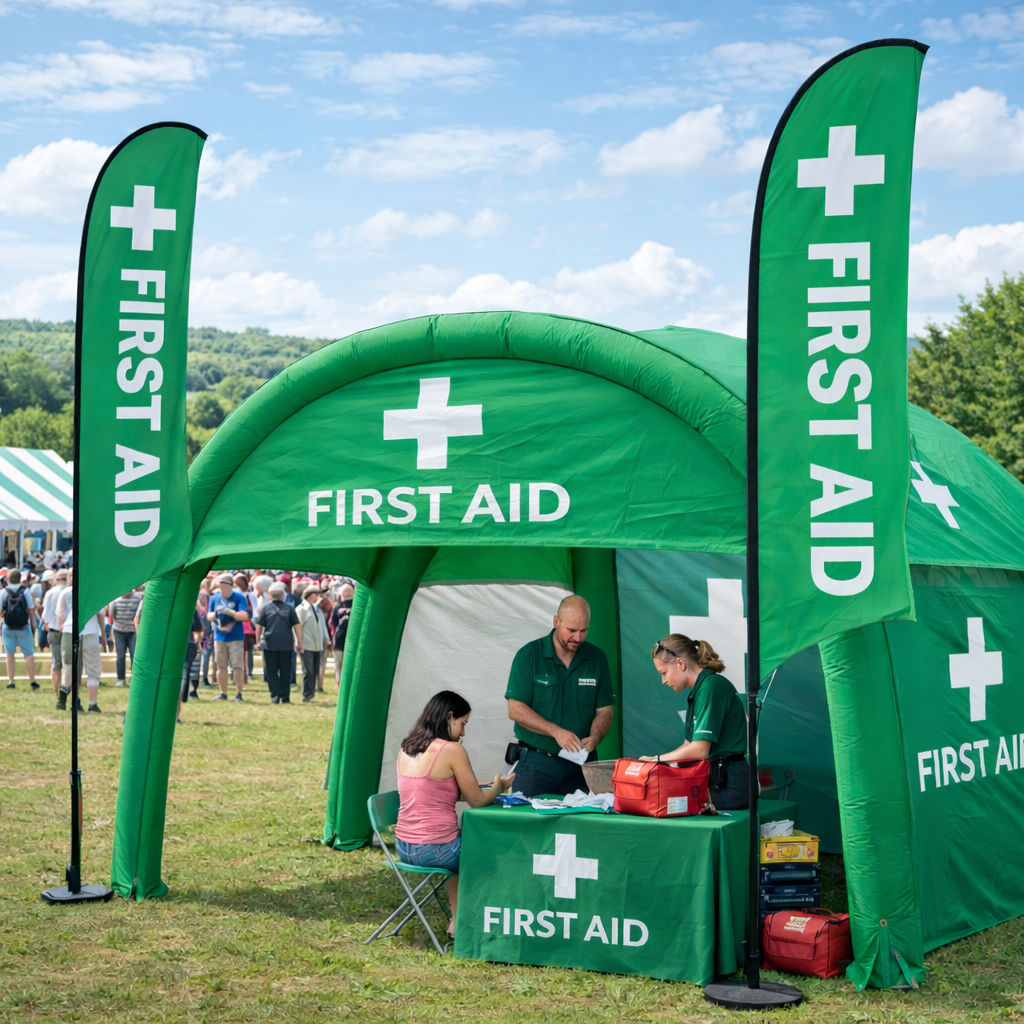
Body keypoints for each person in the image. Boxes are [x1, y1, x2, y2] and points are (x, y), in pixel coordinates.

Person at [395, 690, 513, 939]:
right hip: (435, 849)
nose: (464, 732)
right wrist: (499, 787)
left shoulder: (406, 746)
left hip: (404, 846)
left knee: (464, 850)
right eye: (463, 723)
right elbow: (477, 801)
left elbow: (431, 791)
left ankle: (458, 918)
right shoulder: (451, 750)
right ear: (450, 717)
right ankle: (475, 920)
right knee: (490, 849)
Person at [505, 594, 616, 797]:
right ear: (556, 621)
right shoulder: (529, 656)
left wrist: (595, 737)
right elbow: (515, 709)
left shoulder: (597, 658)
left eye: (584, 631)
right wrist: (555, 731)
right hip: (536, 763)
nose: (578, 638)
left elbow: (605, 710)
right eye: (571, 631)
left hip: (582, 765)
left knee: (582, 825)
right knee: (529, 824)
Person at [639, 634, 749, 810]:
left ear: (681, 663)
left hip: (729, 783)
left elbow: (699, 750)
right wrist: (656, 762)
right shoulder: (699, 690)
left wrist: (656, 760)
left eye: (664, 673)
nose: (663, 681)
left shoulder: (711, 687)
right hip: (714, 780)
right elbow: (688, 745)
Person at [254, 581, 303, 704]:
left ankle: (274, 696)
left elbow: (259, 626)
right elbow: (297, 626)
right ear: (282, 595)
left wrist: (258, 641)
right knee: (285, 671)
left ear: (271, 595)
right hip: (285, 644)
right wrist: (299, 642)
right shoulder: (289, 609)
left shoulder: (266, 609)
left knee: (271, 672)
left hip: (270, 644)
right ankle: (285, 697)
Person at [207, 573, 250, 701]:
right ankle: (223, 692)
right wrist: (216, 615)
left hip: (236, 637)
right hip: (219, 637)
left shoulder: (239, 598)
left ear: (230, 585)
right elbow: (209, 615)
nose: (221, 586)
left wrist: (230, 613)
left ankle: (238, 693)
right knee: (221, 666)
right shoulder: (214, 598)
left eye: (224, 583)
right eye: (220, 583)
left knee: (237, 666)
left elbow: (245, 616)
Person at [1, 568, 39, 690]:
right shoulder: (25, 591)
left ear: (8, 579)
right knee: (28, 654)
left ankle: (11, 681)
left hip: (8, 626)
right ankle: (32, 680)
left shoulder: (3, 592)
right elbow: (31, 608)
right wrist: (31, 621)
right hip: (24, 626)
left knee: (10, 654)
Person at [295, 582, 328, 702]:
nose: (318, 596)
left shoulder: (316, 609)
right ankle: (306, 694)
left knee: (313, 670)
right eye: (316, 594)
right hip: (306, 644)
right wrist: (299, 643)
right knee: (307, 670)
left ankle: (311, 693)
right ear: (310, 594)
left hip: (316, 645)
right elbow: (297, 627)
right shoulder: (301, 609)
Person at [107, 587, 142, 687]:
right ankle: (121, 679)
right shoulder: (115, 599)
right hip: (119, 631)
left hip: (133, 632)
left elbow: (139, 614)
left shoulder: (138, 598)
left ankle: (135, 679)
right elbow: (112, 614)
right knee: (120, 656)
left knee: (134, 655)